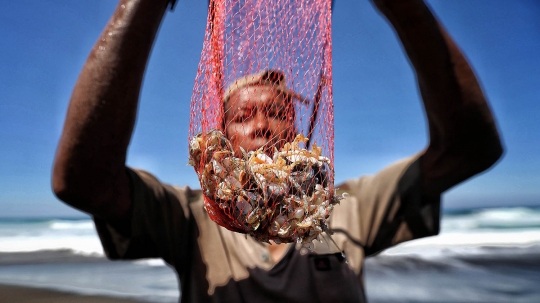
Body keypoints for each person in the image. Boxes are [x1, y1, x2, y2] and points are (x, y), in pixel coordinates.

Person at [52, 0, 503, 302]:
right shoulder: (190, 219)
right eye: (243, 117)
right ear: (220, 139)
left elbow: (470, 148)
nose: (264, 126)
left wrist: (404, 9)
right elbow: (83, 180)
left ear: (301, 132)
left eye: (279, 113)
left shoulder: (349, 208)